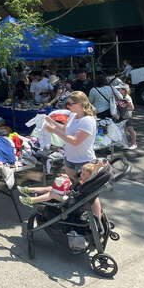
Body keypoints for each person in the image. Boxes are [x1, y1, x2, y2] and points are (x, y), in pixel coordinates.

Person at [43, 91, 102, 219]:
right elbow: (65, 130)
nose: (67, 106)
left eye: (70, 103)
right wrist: (52, 123)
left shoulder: (88, 120)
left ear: (80, 104)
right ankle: (80, 213)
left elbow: (75, 141)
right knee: (75, 189)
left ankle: (98, 220)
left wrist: (54, 131)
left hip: (85, 162)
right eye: (66, 103)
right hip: (70, 160)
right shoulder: (73, 116)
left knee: (90, 195)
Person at [18, 161, 103, 206]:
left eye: (84, 174)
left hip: (73, 200)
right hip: (71, 194)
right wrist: (68, 180)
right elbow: (74, 187)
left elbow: (77, 192)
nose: (81, 175)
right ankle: (28, 190)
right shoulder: (83, 180)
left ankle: (31, 201)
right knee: (51, 188)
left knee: (52, 194)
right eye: (81, 172)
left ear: (90, 176)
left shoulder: (85, 183)